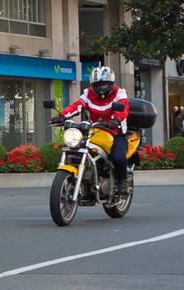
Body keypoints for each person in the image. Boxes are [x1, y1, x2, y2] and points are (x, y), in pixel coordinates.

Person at [56, 64, 134, 195]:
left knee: (118, 157)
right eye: (98, 84)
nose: (101, 87)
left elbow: (123, 107)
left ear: (111, 84)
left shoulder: (119, 92)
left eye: (104, 84)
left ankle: (122, 182)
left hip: (116, 132)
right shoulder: (88, 93)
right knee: (76, 149)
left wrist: (115, 120)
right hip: (95, 130)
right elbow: (77, 105)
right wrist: (62, 115)